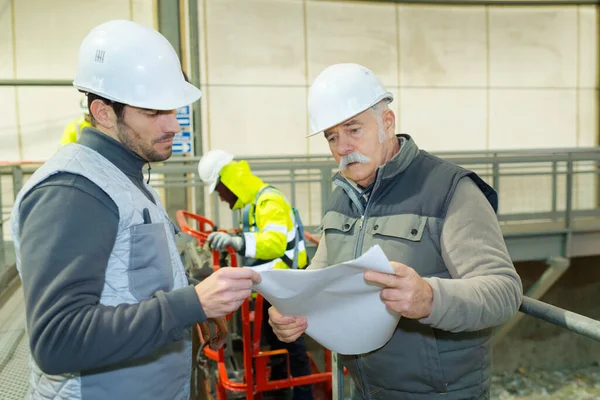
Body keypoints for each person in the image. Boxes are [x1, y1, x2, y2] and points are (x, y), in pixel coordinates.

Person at [10, 20, 260, 400]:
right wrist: (190, 304)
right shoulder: (74, 191)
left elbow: (131, 287)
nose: (174, 126)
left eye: (173, 110)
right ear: (105, 112)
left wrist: (197, 304)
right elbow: (56, 339)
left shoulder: (128, 181)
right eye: (154, 112)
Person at [268, 63, 523, 399]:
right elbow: (322, 272)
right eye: (332, 136)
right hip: (367, 389)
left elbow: (504, 291)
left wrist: (430, 298)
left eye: (353, 129)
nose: (342, 147)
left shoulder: (448, 190)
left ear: (387, 123)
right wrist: (294, 307)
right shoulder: (342, 196)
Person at [198, 150, 314, 399]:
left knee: (292, 346)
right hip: (274, 288)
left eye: (219, 190)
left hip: (287, 288)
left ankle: (303, 395)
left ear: (228, 182)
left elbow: (273, 243)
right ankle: (282, 390)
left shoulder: (269, 202)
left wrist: (237, 241)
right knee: (277, 344)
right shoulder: (255, 206)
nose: (220, 197)